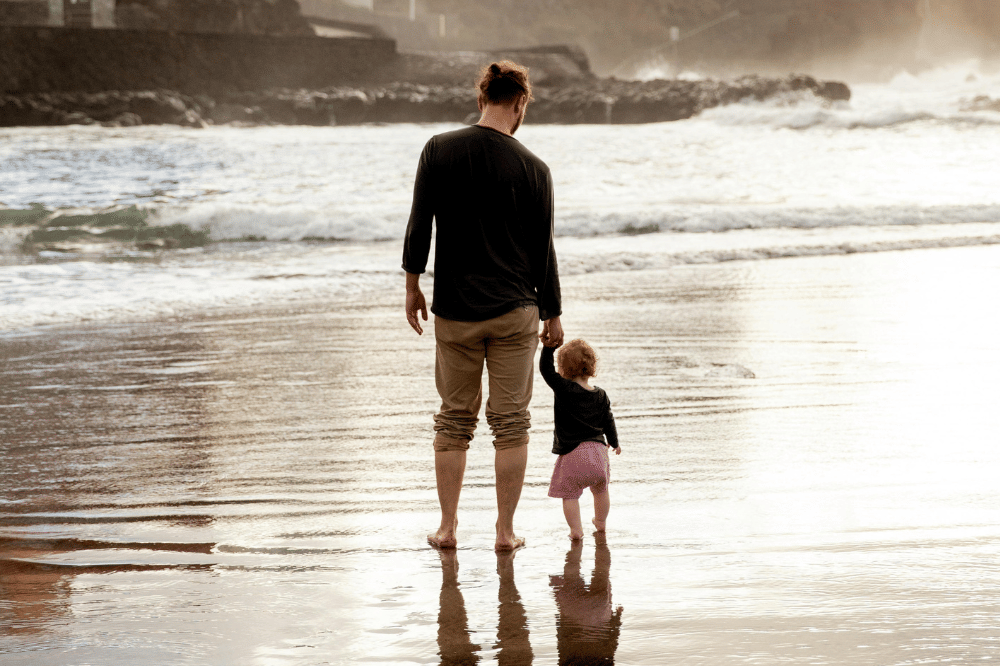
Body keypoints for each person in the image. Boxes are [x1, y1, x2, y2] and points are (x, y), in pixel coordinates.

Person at [402, 60, 563, 552]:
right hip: (515, 311)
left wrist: (412, 285)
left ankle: (447, 528)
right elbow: (543, 250)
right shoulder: (535, 168)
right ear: (520, 103)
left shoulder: (439, 149)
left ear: (481, 99)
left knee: (454, 420)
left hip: (455, 311)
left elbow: (419, 224)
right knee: (511, 424)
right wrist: (553, 313)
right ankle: (504, 532)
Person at [540, 339, 620, 540]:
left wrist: (548, 348)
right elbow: (608, 420)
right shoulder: (601, 395)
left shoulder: (564, 388)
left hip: (573, 453)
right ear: (592, 366)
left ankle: (576, 530)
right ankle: (601, 523)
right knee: (601, 491)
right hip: (599, 454)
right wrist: (615, 442)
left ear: (563, 369)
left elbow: (545, 370)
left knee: (570, 495)